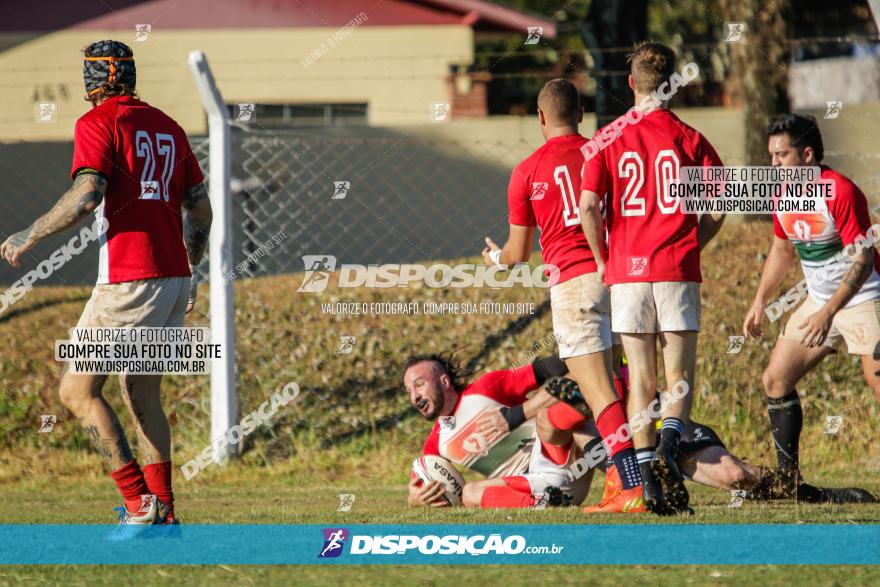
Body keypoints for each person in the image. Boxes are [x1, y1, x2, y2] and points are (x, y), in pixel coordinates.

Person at [0, 40, 212, 535]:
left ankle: (139, 507)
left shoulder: (97, 123)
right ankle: (166, 519)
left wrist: (27, 234)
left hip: (130, 278)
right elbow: (199, 210)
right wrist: (190, 267)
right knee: (143, 393)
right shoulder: (169, 128)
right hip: (174, 278)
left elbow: (87, 194)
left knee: (76, 390)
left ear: (94, 80)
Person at [482, 78, 645, 514]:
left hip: (574, 285)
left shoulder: (527, 171)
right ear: (581, 114)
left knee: (600, 392)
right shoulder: (606, 150)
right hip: (622, 275)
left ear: (539, 117)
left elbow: (516, 254)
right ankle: (629, 476)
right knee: (627, 384)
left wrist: (495, 258)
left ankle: (631, 486)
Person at [578, 42, 725, 514]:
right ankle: (668, 449)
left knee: (640, 377)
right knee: (678, 375)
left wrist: (603, 259)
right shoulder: (690, 138)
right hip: (675, 266)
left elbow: (586, 207)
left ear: (630, 84)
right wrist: (692, 246)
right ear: (674, 85)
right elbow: (719, 207)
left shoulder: (607, 138)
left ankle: (646, 485)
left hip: (626, 270)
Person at [742, 113, 880, 497]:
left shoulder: (840, 191)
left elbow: (864, 260)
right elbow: (782, 250)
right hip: (820, 303)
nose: (774, 164)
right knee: (775, 379)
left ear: (807, 155)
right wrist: (760, 300)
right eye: (771, 155)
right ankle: (788, 484)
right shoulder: (783, 194)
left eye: (781, 155)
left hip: (865, 297)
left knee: (878, 382)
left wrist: (829, 312)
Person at [403, 353, 595, 509]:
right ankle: (540, 506)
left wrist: (589, 352)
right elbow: (424, 482)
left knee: (553, 414)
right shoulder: (435, 442)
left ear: (444, 382)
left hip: (564, 462)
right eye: (408, 390)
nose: (414, 397)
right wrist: (414, 498)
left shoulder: (487, 388)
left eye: (419, 385)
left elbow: (548, 367)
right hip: (537, 490)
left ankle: (610, 455)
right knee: (469, 494)